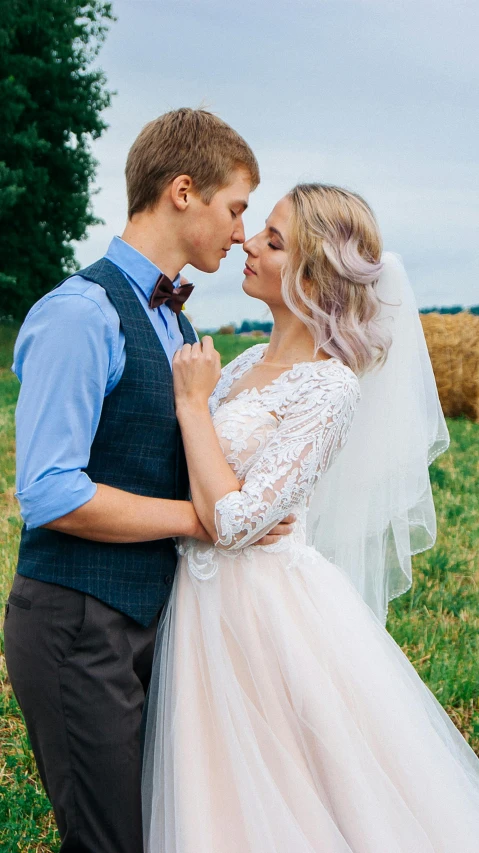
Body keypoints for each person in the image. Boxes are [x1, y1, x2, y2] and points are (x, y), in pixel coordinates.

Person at [142, 184, 479, 852]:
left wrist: (191, 407)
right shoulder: (239, 369)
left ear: (312, 270)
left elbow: (237, 521)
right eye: (257, 232)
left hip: (264, 607)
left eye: (272, 240)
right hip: (199, 598)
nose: (247, 243)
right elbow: (224, 504)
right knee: (215, 782)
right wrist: (222, 491)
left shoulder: (330, 385)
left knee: (299, 784)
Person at [3, 108, 295, 853]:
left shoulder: (179, 329)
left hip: (155, 619)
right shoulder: (78, 313)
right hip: (76, 622)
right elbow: (49, 491)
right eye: (235, 209)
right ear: (183, 191)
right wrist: (197, 520)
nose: (239, 232)